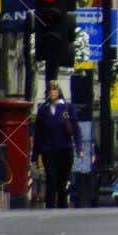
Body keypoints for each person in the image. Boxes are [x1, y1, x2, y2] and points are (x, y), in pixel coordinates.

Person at [32, 82, 81, 210]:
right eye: (49, 90)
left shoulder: (67, 107)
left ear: (59, 92)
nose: (51, 92)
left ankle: (62, 205)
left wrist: (79, 148)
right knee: (51, 178)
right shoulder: (43, 109)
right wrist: (35, 155)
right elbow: (38, 133)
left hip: (65, 149)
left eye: (54, 90)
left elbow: (76, 129)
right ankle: (49, 205)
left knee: (62, 180)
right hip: (48, 149)